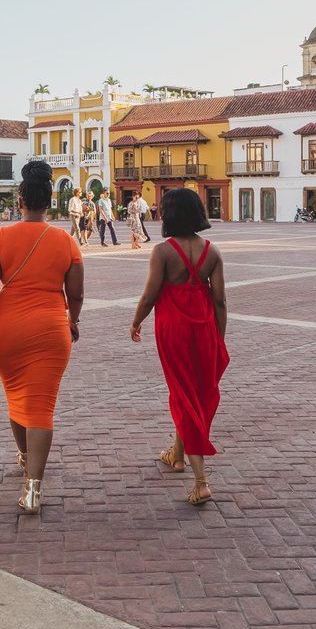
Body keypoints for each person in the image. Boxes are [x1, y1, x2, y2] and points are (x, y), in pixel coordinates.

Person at [0, 161, 85, 515]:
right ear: (49, 202)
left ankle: (24, 455)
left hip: (7, 330)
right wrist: (73, 320)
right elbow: (76, 293)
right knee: (42, 405)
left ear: (19, 200)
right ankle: (33, 487)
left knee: (16, 395)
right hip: (51, 329)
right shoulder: (66, 241)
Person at [128, 188, 228, 507]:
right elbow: (220, 300)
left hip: (173, 330)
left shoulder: (163, 252)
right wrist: (219, 337)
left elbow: (150, 295)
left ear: (170, 215)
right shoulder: (212, 252)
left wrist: (136, 321)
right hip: (204, 329)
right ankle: (177, 455)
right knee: (193, 391)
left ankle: (201, 482)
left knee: (183, 395)